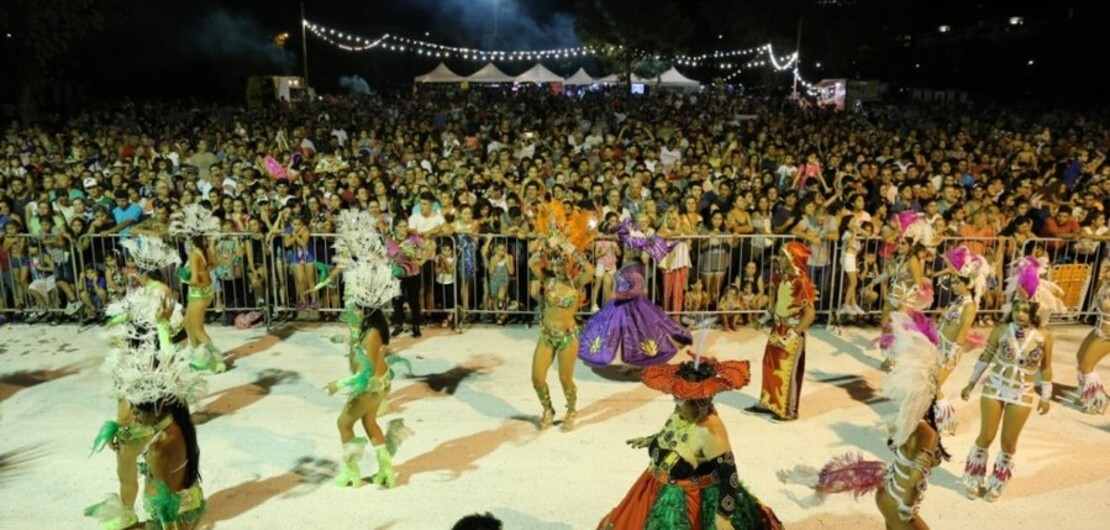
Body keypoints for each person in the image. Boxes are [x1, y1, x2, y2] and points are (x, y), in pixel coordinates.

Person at [780, 311, 949, 529]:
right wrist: (907, 509)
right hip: (898, 502)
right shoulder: (927, 434)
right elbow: (916, 476)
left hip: (888, 493)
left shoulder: (909, 423)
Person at [599, 357, 783, 529]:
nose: (675, 401)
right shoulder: (681, 414)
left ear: (698, 402)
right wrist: (651, 440)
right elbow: (675, 437)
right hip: (654, 487)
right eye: (676, 396)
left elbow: (729, 475)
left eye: (681, 398)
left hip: (689, 501)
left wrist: (724, 516)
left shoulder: (710, 430)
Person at [90, 294, 207, 530]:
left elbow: (165, 512)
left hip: (167, 514)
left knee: (132, 481)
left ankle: (127, 513)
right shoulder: (169, 390)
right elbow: (170, 356)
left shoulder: (139, 378)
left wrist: (121, 430)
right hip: (183, 499)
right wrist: (163, 325)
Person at [961, 256, 1064, 501]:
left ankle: (997, 482)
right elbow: (986, 357)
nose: (1020, 314)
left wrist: (1046, 396)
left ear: (1035, 311)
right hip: (995, 386)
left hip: (1022, 392)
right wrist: (971, 383)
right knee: (986, 436)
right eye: (1016, 308)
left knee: (1008, 442)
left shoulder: (1044, 337)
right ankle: (974, 476)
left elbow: (1046, 368)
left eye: (1025, 310)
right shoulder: (1000, 330)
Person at [325, 211, 411, 488]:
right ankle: (386, 472)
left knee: (343, 423)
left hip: (372, 387)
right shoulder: (369, 328)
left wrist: (339, 384)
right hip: (379, 385)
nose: (351, 311)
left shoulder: (372, 335)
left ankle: (351, 472)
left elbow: (366, 373)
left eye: (355, 307)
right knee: (370, 424)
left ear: (365, 310)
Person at [579, 218, 690, 369]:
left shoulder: (636, 268)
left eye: (629, 248)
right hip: (618, 305)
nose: (626, 250)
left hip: (632, 307)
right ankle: (620, 359)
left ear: (635, 251)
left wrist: (616, 295)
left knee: (635, 332)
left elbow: (636, 291)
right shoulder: (627, 264)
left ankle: (630, 360)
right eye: (626, 248)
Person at [529, 201, 595, 431]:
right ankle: (548, 409)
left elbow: (590, 271)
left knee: (565, 379)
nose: (558, 267)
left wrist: (568, 246)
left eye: (562, 264)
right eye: (555, 263)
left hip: (568, 337)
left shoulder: (576, 283)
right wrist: (547, 244)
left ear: (569, 265)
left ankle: (571, 410)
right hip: (547, 336)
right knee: (537, 378)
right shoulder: (548, 280)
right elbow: (531, 262)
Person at [745, 241, 816, 422]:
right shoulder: (782, 279)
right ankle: (768, 402)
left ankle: (789, 410)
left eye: (784, 256)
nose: (779, 258)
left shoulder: (801, 283)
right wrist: (764, 319)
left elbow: (810, 314)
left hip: (791, 331)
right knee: (769, 365)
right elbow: (778, 305)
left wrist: (793, 334)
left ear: (793, 259)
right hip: (777, 328)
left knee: (787, 370)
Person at [930, 246, 989, 433]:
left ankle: (948, 420)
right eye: (954, 282)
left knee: (933, 387)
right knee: (928, 385)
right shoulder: (957, 300)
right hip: (938, 347)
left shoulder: (969, 307)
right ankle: (932, 416)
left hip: (950, 352)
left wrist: (949, 358)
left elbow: (962, 333)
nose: (954, 285)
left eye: (957, 283)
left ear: (968, 285)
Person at [170, 204, 225, 372]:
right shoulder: (204, 250)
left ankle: (216, 360)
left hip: (198, 294)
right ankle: (197, 354)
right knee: (187, 323)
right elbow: (216, 263)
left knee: (197, 329)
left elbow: (193, 279)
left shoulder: (194, 254)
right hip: (203, 293)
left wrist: (183, 275)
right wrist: (204, 271)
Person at [1076, 274, 1110, 414]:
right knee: (1080, 358)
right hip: (1099, 328)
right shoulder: (1104, 282)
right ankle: (1087, 393)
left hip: (1108, 334)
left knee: (1086, 365)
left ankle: (1098, 400)